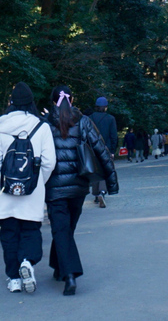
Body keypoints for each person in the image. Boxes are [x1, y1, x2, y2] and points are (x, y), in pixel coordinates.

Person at [45, 85, 118, 295]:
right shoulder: (84, 121)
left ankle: (69, 274)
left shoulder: (45, 123)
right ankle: (60, 268)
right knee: (66, 229)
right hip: (78, 185)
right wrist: (111, 182)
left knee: (61, 229)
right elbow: (101, 150)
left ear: (53, 101)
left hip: (54, 187)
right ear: (72, 99)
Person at [0, 82, 56, 293]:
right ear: (31, 103)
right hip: (32, 192)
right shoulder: (41, 127)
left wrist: (6, 181)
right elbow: (49, 162)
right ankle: (27, 261)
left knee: (9, 233)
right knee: (30, 230)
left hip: (6, 192)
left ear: (11, 102)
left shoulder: (0, 128)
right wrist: (37, 182)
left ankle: (14, 279)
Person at [90, 96, 118, 207]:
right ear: (105, 107)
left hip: (92, 148)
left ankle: (96, 194)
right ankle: (102, 191)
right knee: (105, 170)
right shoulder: (110, 119)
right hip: (106, 148)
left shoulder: (90, 118)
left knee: (95, 170)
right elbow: (113, 136)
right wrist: (112, 150)